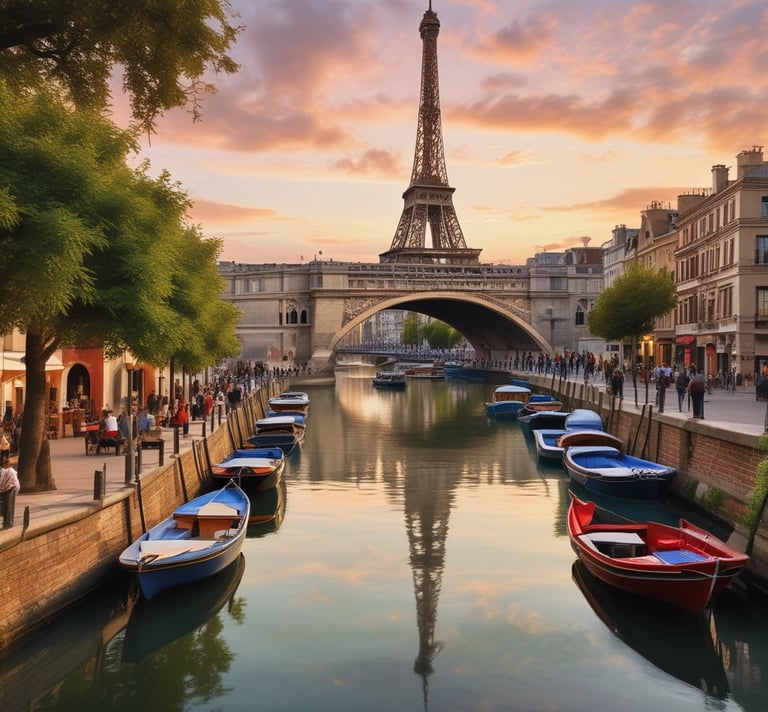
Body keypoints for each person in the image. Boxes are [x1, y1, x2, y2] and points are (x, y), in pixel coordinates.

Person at [0, 456, 21, 529]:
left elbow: (3, 482)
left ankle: (8, 523)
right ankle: (8, 522)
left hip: (10, 489)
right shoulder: (9, 471)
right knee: (9, 506)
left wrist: (1, 489)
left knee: (8, 506)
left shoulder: (7, 471)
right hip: (11, 489)